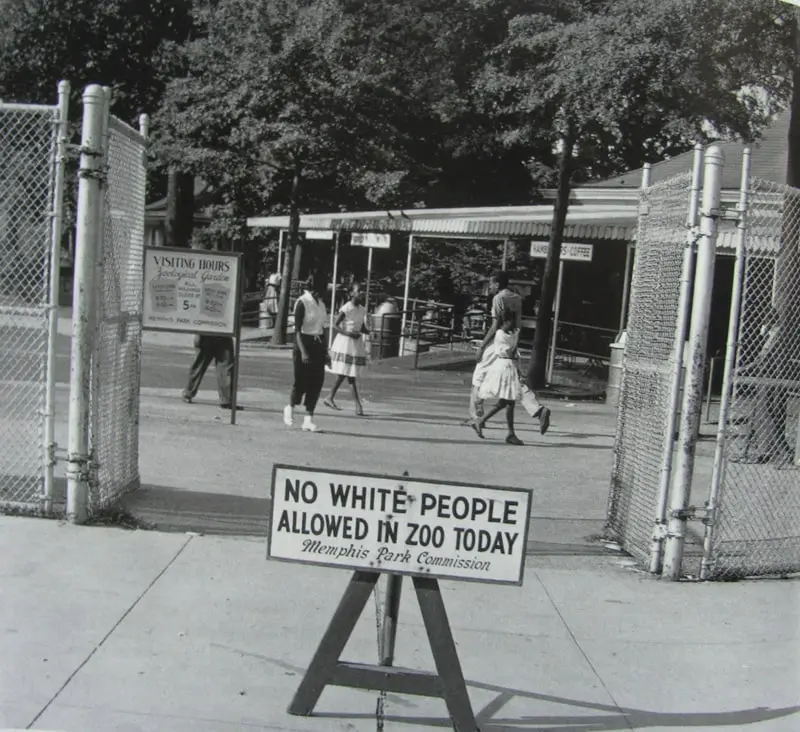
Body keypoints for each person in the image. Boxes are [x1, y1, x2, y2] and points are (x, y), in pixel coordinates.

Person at [470, 271, 551, 434]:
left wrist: (482, 346)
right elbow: (517, 322)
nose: (490, 287)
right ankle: (514, 429)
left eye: (492, 284)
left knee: (486, 380)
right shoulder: (516, 298)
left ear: (497, 284)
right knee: (512, 389)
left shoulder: (498, 299)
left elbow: (495, 325)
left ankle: (478, 416)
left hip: (499, 343)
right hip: (512, 339)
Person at [284, 271, 328, 432]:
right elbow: (297, 330)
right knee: (301, 381)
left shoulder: (321, 304)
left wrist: (326, 351)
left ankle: (308, 418)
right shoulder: (302, 302)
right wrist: (303, 352)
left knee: (316, 382)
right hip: (303, 343)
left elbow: (322, 329)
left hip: (317, 344)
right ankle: (290, 406)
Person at [470, 313, 524, 445]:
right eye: (508, 322)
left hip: (510, 365)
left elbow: (514, 351)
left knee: (508, 401)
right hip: (503, 365)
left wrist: (518, 367)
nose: (511, 324)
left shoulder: (514, 333)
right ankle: (507, 432)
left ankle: (486, 422)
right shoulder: (500, 335)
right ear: (503, 322)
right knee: (508, 400)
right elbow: (508, 351)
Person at [324, 288, 369, 415]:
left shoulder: (362, 309)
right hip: (345, 342)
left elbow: (361, 326)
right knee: (349, 374)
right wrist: (348, 333)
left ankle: (331, 397)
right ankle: (357, 404)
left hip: (356, 343)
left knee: (348, 373)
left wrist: (369, 331)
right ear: (352, 293)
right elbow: (335, 325)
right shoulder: (346, 308)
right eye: (359, 291)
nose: (361, 293)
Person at [182, 334, 238, 409]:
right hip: (209, 333)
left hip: (223, 334)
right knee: (200, 365)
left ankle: (226, 400)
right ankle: (188, 393)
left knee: (226, 369)